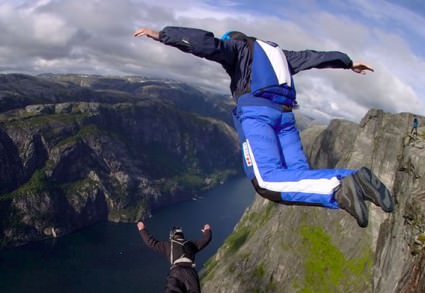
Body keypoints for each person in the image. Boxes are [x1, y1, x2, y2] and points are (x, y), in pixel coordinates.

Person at [133, 26, 393, 228]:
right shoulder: (280, 54)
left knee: (266, 181)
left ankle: (344, 183)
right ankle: (359, 185)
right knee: (297, 180)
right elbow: (314, 57)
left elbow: (206, 44)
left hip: (259, 116)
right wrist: (347, 62)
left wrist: (163, 36)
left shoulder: (238, 47)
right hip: (286, 120)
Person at [137, 221, 212, 293]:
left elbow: (151, 242)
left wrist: (142, 229)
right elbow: (206, 240)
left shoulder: (168, 245)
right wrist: (207, 230)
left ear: (172, 236)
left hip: (175, 272)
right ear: (182, 235)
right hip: (190, 272)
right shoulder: (192, 244)